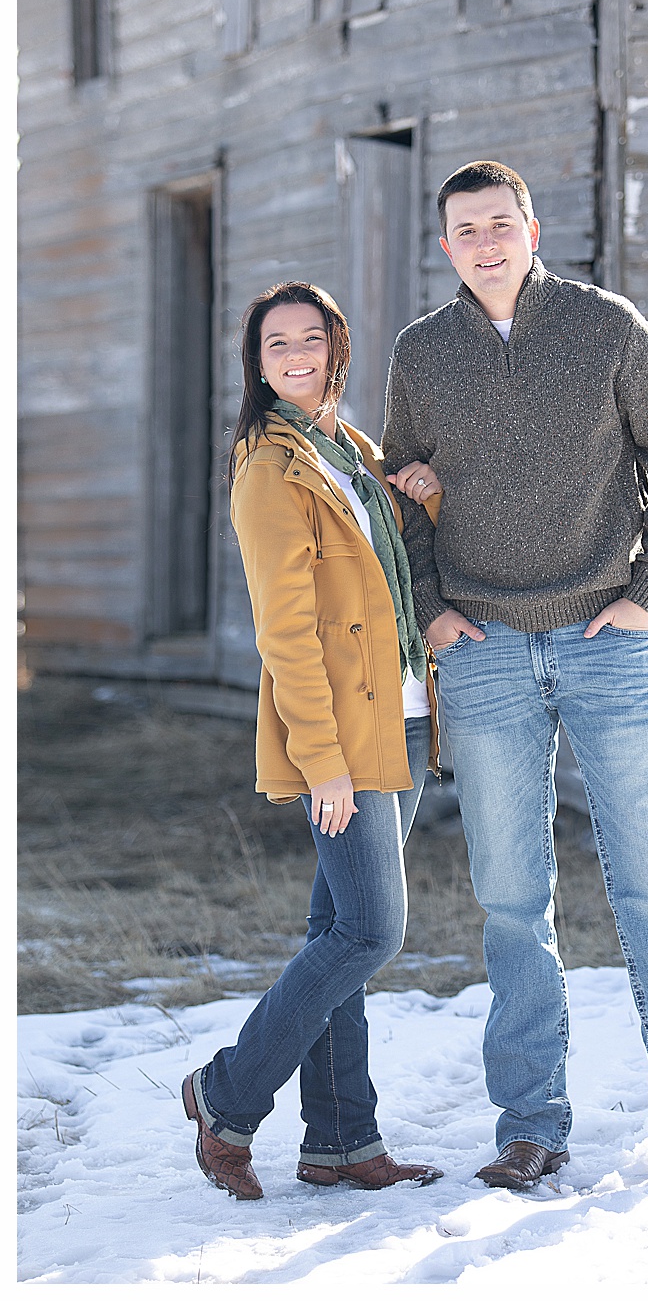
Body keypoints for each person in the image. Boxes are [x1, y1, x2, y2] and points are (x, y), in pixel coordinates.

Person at [381, 161, 648, 1191]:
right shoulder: (421, 354)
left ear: (532, 227)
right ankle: (530, 1124)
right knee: (512, 900)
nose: (486, 241)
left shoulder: (605, 326)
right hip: (487, 651)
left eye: (500, 223)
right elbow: (399, 496)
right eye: (465, 229)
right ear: (446, 244)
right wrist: (434, 611)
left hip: (608, 640)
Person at [182, 282, 446, 1199]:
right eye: (274, 345)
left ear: (336, 347)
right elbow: (285, 630)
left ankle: (340, 1140)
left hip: (405, 714)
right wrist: (320, 759)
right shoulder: (268, 468)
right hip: (346, 737)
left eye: (310, 340)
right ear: (257, 365)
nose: (295, 356)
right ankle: (226, 1096)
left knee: (337, 928)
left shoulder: (349, 449)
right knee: (373, 930)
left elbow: (391, 576)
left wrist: (421, 497)